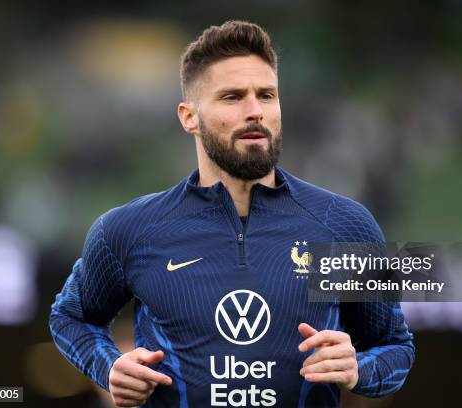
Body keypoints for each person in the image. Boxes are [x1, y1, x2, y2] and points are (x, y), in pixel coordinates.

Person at [49, 20, 414, 408]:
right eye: (232, 97)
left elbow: (396, 348)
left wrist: (359, 368)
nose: (255, 111)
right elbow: (71, 318)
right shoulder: (130, 230)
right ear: (189, 117)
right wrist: (108, 367)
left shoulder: (344, 226)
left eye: (267, 95)